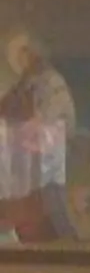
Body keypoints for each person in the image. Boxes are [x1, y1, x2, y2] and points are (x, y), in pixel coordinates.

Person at [0, 28, 76, 243]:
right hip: (22, 151)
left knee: (46, 204)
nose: (24, 58)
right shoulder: (22, 84)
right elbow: (7, 106)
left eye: (27, 52)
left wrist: (34, 127)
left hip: (44, 152)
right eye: (19, 54)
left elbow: (55, 116)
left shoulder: (51, 81)